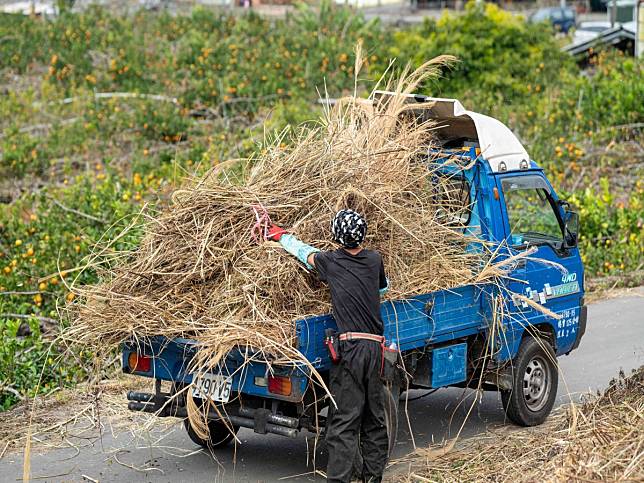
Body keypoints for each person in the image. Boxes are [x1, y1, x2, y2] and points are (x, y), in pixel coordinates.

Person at [265, 209, 390, 483]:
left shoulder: (331, 262)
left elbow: (304, 253)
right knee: (375, 421)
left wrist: (280, 235)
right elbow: (383, 288)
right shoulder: (374, 260)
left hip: (351, 349)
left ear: (336, 236)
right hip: (376, 350)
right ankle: (372, 479)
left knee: (344, 422)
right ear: (363, 234)